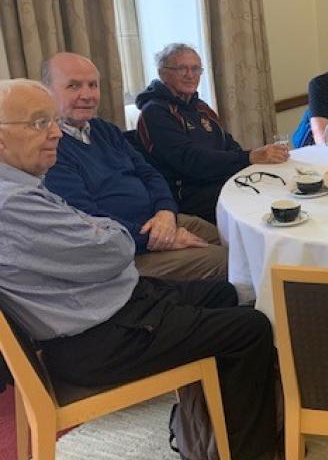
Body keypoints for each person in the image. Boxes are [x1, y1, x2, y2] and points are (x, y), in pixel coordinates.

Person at [0, 79, 277, 460]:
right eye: (37, 123)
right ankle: (252, 451)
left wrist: (106, 231)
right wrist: (107, 233)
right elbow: (114, 250)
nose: (53, 134)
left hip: (112, 304)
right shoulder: (13, 204)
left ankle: (207, 432)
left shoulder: (26, 182)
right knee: (251, 329)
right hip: (98, 337)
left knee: (229, 292)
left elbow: (101, 234)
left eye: (51, 121)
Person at [41, 52, 227, 280]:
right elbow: (88, 221)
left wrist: (166, 212)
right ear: (47, 91)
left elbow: (149, 173)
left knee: (237, 239)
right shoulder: (49, 148)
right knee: (227, 261)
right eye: (73, 86)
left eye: (93, 85)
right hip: (129, 250)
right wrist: (156, 239)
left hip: (159, 221)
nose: (87, 95)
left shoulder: (103, 130)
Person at [135, 43, 289, 224]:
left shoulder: (201, 108)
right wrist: (248, 158)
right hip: (189, 196)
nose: (190, 75)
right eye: (182, 69)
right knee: (262, 206)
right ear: (162, 73)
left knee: (280, 185)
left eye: (195, 69)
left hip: (221, 182)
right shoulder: (155, 113)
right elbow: (190, 160)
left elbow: (229, 145)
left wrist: (249, 160)